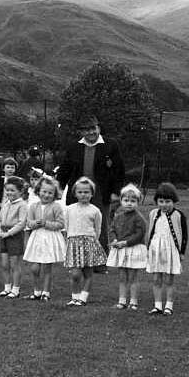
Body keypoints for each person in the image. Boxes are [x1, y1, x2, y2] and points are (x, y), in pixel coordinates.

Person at [57, 115, 125, 271]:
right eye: (86, 130)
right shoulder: (74, 147)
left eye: (93, 128)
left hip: (101, 193)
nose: (90, 132)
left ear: (98, 128)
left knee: (100, 226)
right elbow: (65, 169)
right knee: (76, 227)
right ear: (82, 132)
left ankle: (100, 264)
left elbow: (119, 171)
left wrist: (116, 192)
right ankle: (77, 261)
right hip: (77, 193)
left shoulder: (111, 145)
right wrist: (58, 187)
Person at [64, 177, 106, 306]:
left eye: (86, 192)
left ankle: (83, 297)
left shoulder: (95, 210)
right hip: (74, 243)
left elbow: (98, 229)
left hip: (89, 243)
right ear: (75, 193)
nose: (83, 195)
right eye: (80, 192)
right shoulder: (69, 209)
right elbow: (66, 226)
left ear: (92, 193)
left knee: (88, 272)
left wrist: (93, 242)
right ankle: (75, 296)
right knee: (75, 274)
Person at [23, 175, 66, 301]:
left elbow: (60, 224)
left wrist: (46, 223)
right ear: (38, 191)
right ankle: (36, 291)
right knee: (34, 267)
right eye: (44, 191)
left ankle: (45, 292)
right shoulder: (33, 206)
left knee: (47, 267)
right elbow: (29, 223)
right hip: (37, 238)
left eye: (50, 193)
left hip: (50, 238)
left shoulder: (56, 207)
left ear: (54, 194)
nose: (46, 195)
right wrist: (35, 223)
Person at [146, 182, 187, 316]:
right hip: (156, 249)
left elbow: (184, 235)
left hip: (171, 250)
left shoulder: (179, 215)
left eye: (167, 201)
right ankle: (157, 306)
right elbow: (151, 232)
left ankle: (169, 305)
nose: (164, 204)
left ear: (174, 201)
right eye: (161, 201)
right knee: (156, 279)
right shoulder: (153, 213)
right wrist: (148, 249)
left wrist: (182, 252)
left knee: (169, 279)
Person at [106, 184, 148, 310]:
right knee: (122, 276)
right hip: (121, 249)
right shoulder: (118, 216)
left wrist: (126, 243)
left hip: (133, 249)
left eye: (133, 201)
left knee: (133, 276)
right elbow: (112, 229)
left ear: (138, 202)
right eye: (126, 200)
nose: (129, 203)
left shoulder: (139, 218)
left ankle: (133, 302)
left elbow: (139, 234)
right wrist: (114, 240)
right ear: (121, 201)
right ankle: (122, 300)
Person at [0, 176, 28, 298]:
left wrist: (8, 233)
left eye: (12, 190)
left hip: (14, 235)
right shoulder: (5, 204)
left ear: (20, 191)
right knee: (5, 264)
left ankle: (15, 289)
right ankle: (7, 287)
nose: (9, 193)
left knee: (15, 264)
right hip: (3, 234)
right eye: (7, 190)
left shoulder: (22, 205)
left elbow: (21, 223)